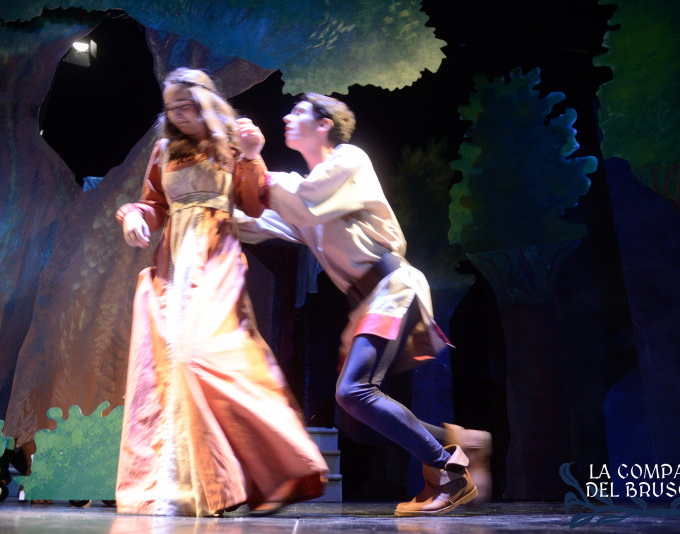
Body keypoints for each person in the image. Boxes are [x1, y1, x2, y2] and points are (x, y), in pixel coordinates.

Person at [236, 93, 492, 516]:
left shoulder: (348, 161)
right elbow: (259, 220)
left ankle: (451, 471)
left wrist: (253, 161)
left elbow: (305, 201)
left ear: (324, 124)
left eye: (299, 111)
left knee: (354, 391)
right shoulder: (308, 189)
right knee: (355, 416)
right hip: (366, 301)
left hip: (391, 286)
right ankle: (461, 441)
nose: (286, 116)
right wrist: (203, 207)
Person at [115, 69, 328, 517]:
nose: (179, 115)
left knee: (209, 355)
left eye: (187, 106)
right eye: (172, 108)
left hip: (217, 257)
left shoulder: (232, 142)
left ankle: (278, 466)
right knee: (170, 365)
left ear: (206, 103)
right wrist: (135, 215)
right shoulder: (164, 150)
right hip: (173, 264)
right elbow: (154, 204)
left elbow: (252, 204)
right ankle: (183, 487)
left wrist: (251, 156)